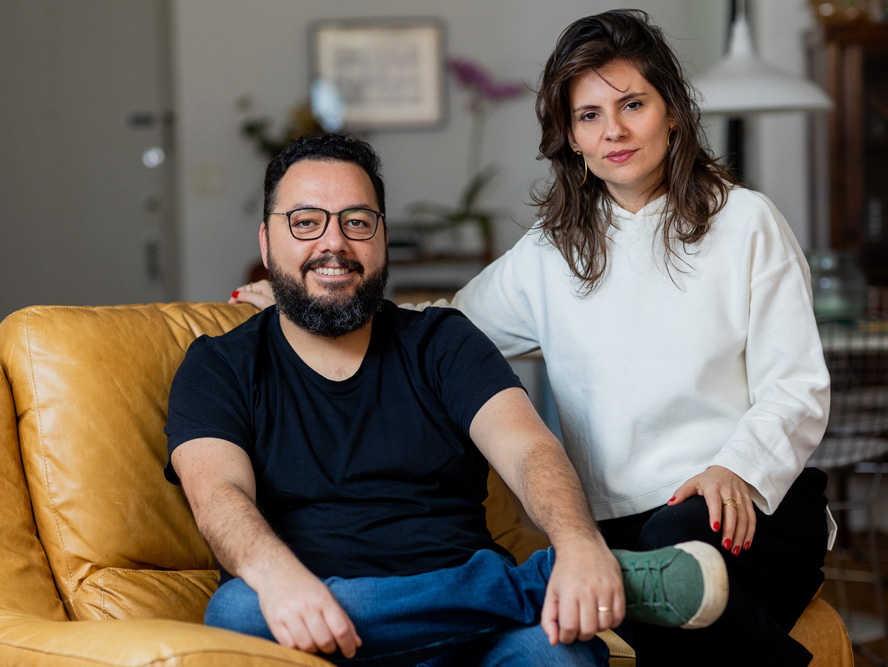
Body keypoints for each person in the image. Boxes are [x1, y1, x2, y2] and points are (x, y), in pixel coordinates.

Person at [230, 11, 832, 667]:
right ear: (570, 136)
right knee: (640, 575)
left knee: (661, 554)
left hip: (746, 500)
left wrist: (736, 468)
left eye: (634, 104)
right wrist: (311, 291)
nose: (615, 131)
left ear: (674, 112)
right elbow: (441, 327)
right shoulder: (551, 253)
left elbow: (796, 385)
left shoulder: (746, 222)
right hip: (617, 524)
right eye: (590, 115)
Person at [168, 133, 728, 667]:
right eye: (306, 222)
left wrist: (580, 545)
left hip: (476, 643)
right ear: (267, 243)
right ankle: (537, 585)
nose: (333, 243)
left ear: (382, 238)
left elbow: (529, 449)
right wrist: (278, 577)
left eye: (357, 222)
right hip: (306, 630)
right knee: (239, 608)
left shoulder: (443, 342)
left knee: (553, 650)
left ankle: (543, 586)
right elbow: (217, 493)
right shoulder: (219, 366)